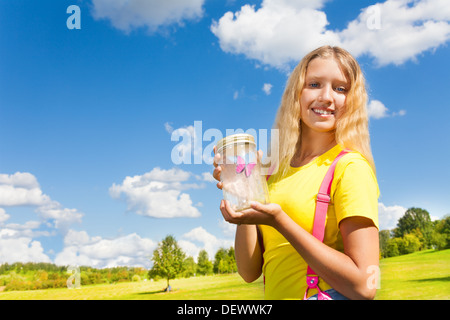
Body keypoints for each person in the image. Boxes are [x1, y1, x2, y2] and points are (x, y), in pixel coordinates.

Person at [212, 46, 379, 300]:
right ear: (296, 94)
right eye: (314, 84)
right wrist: (245, 191)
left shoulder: (349, 168)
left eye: (340, 88)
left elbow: (364, 286)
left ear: (352, 100)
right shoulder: (273, 173)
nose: (326, 96)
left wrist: (279, 221)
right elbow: (248, 272)